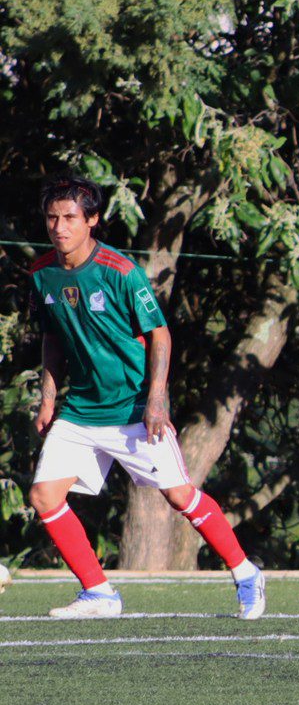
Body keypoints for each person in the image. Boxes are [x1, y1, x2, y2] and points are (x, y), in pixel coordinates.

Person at [27, 176, 265, 619]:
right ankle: (99, 593)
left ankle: (246, 573)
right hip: (81, 410)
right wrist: (47, 397)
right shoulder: (43, 273)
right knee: (44, 496)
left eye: (71, 218)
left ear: (92, 220)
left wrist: (156, 399)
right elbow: (52, 337)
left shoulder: (120, 272)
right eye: (52, 217)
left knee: (179, 496)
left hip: (134, 408)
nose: (60, 227)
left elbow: (160, 334)